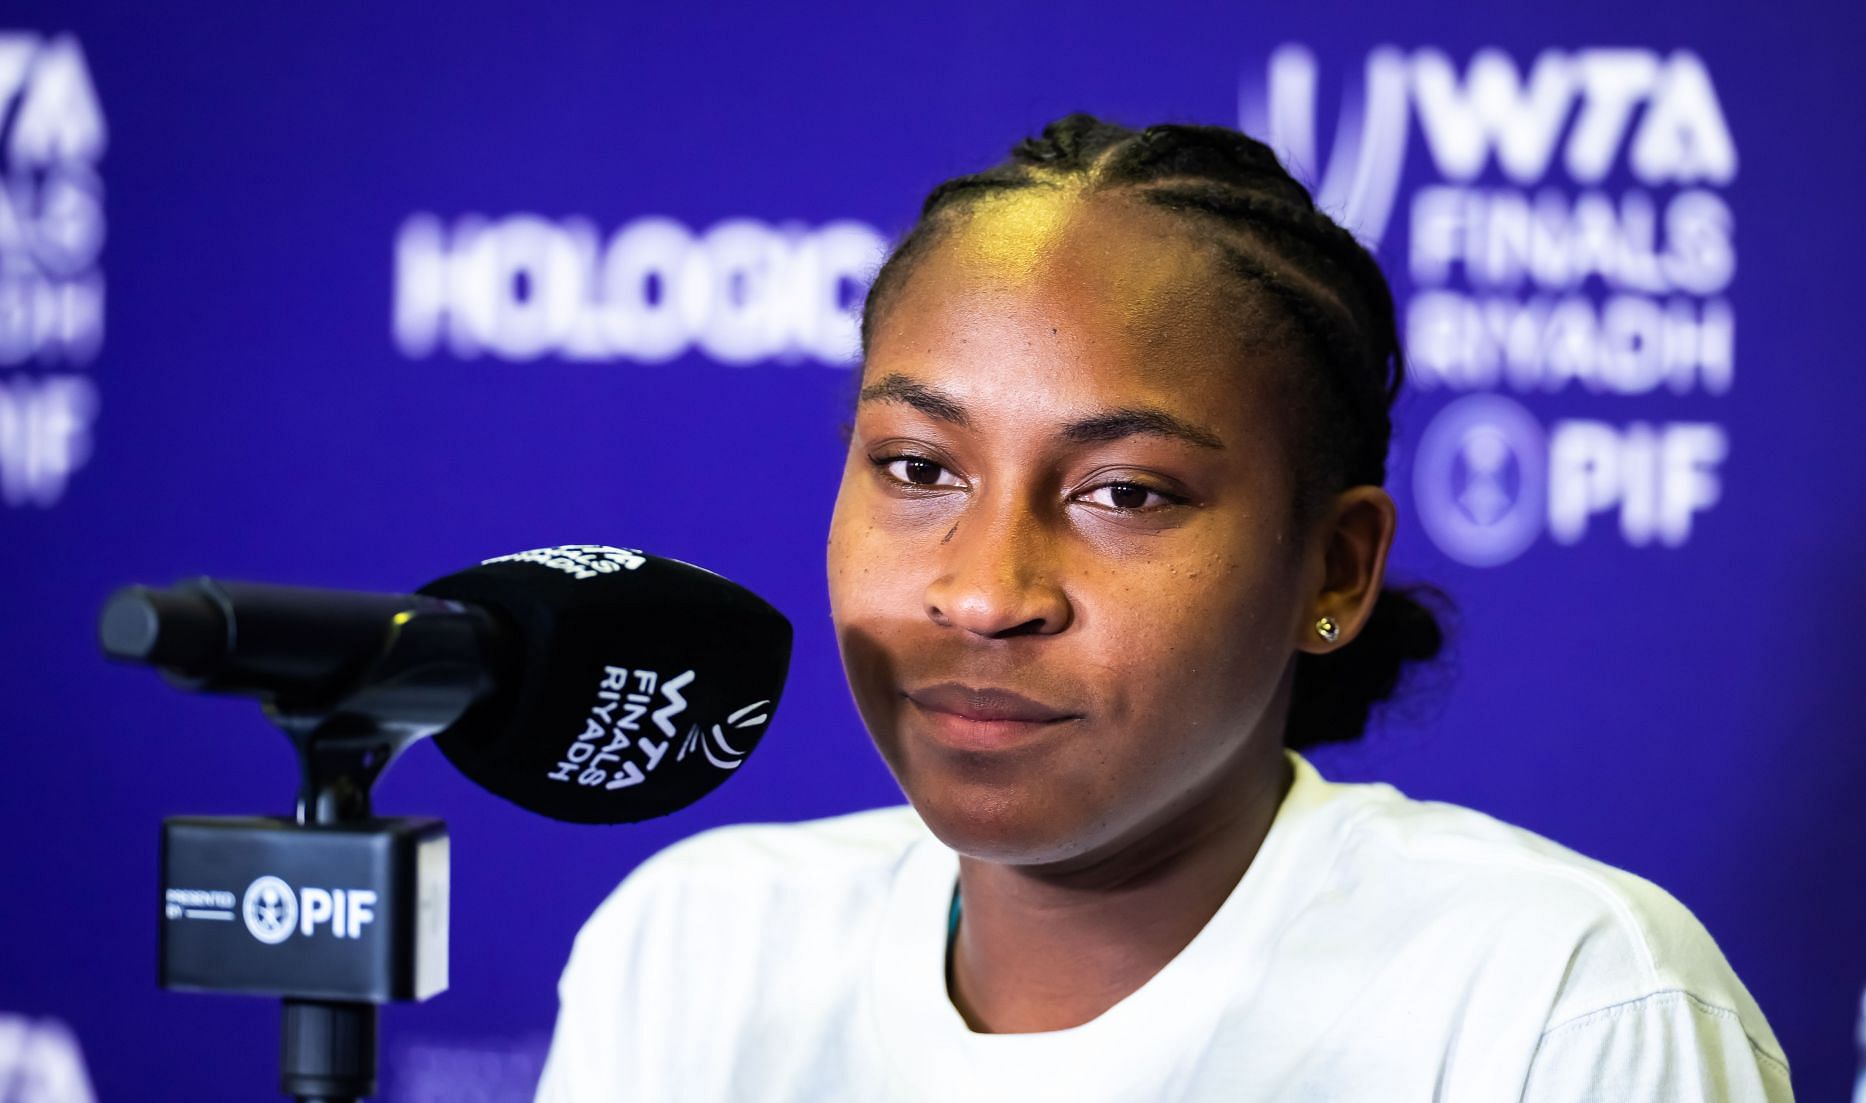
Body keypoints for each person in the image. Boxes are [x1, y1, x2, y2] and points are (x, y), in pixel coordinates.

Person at [534, 114, 1791, 1101]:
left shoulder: (1561, 1003)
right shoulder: (694, 947)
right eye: (919, 468)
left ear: (1336, 567)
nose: (982, 590)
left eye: (1124, 492)